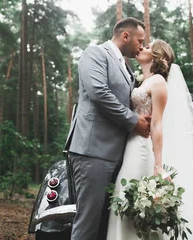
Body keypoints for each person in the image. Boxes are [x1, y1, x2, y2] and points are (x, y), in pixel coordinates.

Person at [106, 40, 193, 240]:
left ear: (158, 57)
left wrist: (158, 164)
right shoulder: (142, 81)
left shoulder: (158, 82)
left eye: (147, 47)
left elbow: (157, 124)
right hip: (131, 145)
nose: (141, 48)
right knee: (125, 197)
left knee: (133, 199)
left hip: (142, 148)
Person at [65, 17, 152, 240]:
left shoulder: (128, 67)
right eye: (139, 41)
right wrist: (133, 121)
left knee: (107, 225)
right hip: (92, 151)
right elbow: (99, 93)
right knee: (88, 222)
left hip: (117, 155)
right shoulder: (94, 54)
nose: (141, 46)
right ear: (126, 36)